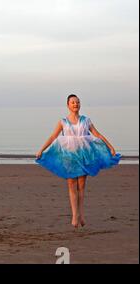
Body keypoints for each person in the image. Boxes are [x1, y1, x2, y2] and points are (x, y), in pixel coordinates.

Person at [36, 94, 121, 228]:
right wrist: (41, 149)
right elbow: (53, 137)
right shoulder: (63, 121)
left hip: (84, 156)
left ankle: (81, 214)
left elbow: (97, 134)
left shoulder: (86, 120)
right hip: (69, 157)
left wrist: (110, 147)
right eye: (73, 102)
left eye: (77, 102)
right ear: (68, 105)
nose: (76, 104)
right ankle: (75, 215)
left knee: (81, 186)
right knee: (71, 185)